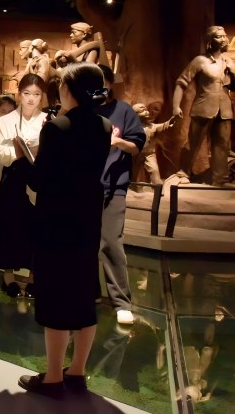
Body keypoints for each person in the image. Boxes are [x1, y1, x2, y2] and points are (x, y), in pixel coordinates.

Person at [18, 62, 112, 397]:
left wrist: (22, 158)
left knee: (56, 297)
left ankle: (53, 379)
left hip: (57, 222)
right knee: (84, 295)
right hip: (87, 220)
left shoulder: (57, 127)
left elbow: (40, 179)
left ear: (69, 89)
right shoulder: (104, 125)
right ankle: (77, 373)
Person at [0, 74, 47, 298]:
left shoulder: (47, 120)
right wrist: (20, 151)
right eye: (27, 93)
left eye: (36, 94)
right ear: (19, 94)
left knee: (36, 228)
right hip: (13, 176)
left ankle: (33, 277)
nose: (31, 99)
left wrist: (37, 150)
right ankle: (8, 276)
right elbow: (1, 153)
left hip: (38, 177)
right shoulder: (6, 120)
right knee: (9, 227)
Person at [96, 65, 145, 325]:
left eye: (102, 84)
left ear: (110, 84)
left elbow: (137, 146)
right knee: (83, 241)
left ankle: (121, 301)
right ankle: (89, 292)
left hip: (113, 186)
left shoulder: (123, 111)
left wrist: (117, 142)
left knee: (111, 241)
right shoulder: (84, 110)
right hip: (84, 186)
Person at [172, 26, 235, 187]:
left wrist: (233, 71)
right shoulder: (200, 61)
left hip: (225, 110)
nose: (223, 39)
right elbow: (181, 82)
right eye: (219, 36)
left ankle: (220, 179)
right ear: (210, 40)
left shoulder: (229, 62)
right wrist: (176, 106)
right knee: (193, 143)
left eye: (224, 36)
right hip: (203, 108)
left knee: (222, 145)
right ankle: (184, 172)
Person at [132, 103, 177, 185]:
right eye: (142, 110)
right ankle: (131, 187)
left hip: (149, 154)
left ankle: (158, 188)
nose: (146, 112)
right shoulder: (131, 128)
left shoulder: (152, 127)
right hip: (135, 154)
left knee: (154, 170)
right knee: (133, 172)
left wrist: (171, 121)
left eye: (146, 110)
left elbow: (163, 126)